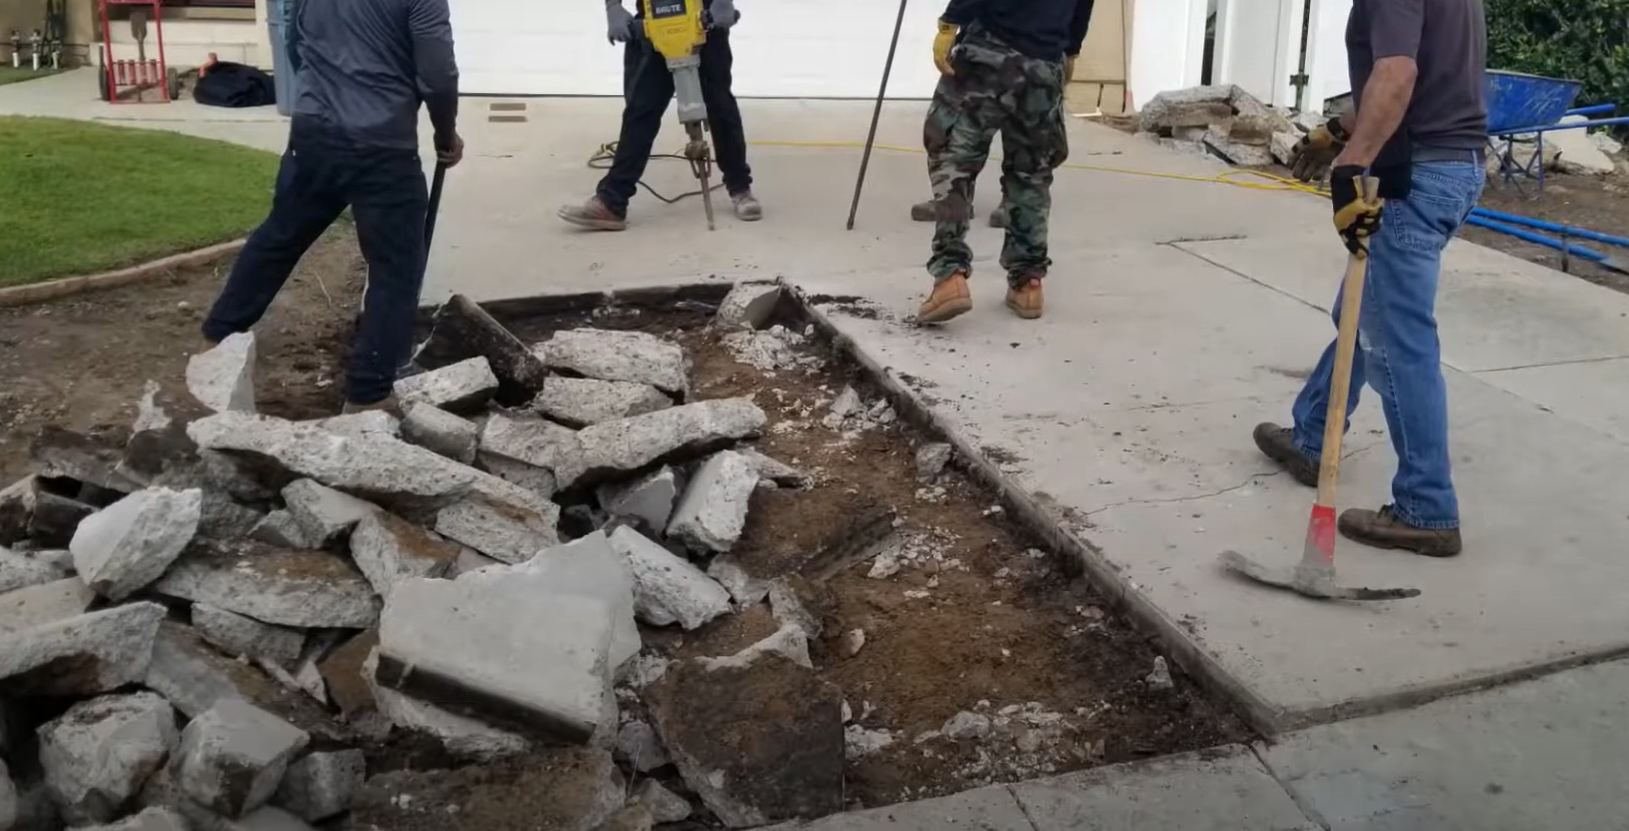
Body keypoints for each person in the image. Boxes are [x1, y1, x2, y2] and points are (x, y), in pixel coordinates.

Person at [1255, 0, 1488, 557]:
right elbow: (1417, 83)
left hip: (1415, 174)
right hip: (1455, 164)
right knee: (1361, 312)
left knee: (1397, 342)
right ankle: (1312, 435)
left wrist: (1352, 162)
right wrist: (1339, 130)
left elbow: (1398, 74)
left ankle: (1426, 509)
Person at [200, 0, 462, 413]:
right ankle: (368, 393)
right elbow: (438, 76)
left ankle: (220, 332)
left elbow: (294, 46)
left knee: (281, 235)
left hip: (314, 133)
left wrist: (321, 92)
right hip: (383, 145)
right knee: (396, 268)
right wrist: (446, 134)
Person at [914, 0, 1095, 325]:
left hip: (990, 51)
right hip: (1046, 59)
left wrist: (951, 21)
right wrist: (1071, 47)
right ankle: (1028, 284)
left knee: (953, 156)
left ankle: (949, 276)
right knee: (1032, 171)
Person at [559, 0, 761, 231]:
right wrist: (613, 7)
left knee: (721, 108)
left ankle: (740, 188)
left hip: (705, 20)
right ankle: (611, 202)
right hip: (652, 22)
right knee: (640, 113)